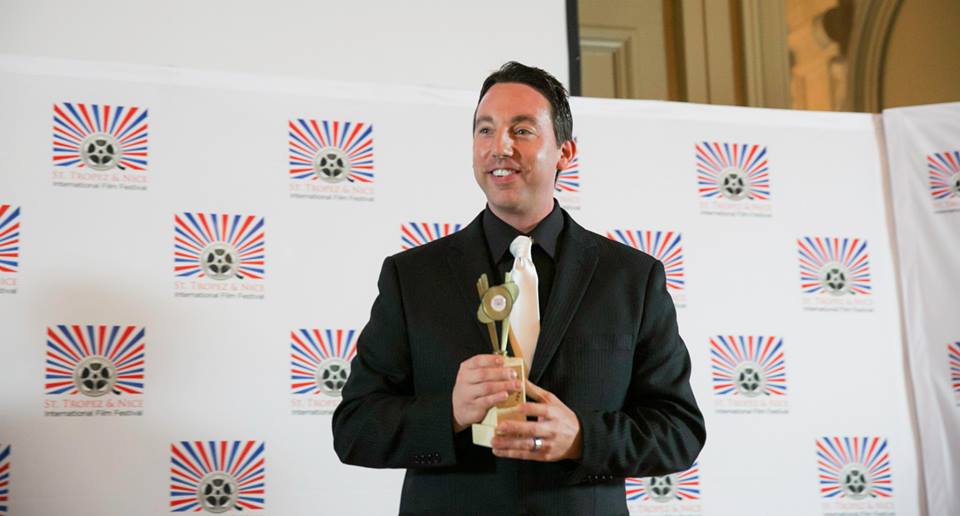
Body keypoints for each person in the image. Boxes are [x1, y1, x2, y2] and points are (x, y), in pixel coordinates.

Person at [332, 61, 705, 515]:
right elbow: (354, 429)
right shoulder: (411, 276)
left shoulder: (631, 278)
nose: (499, 147)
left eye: (522, 130)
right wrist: (448, 411)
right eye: (485, 130)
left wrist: (584, 438)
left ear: (565, 153)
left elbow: (679, 431)